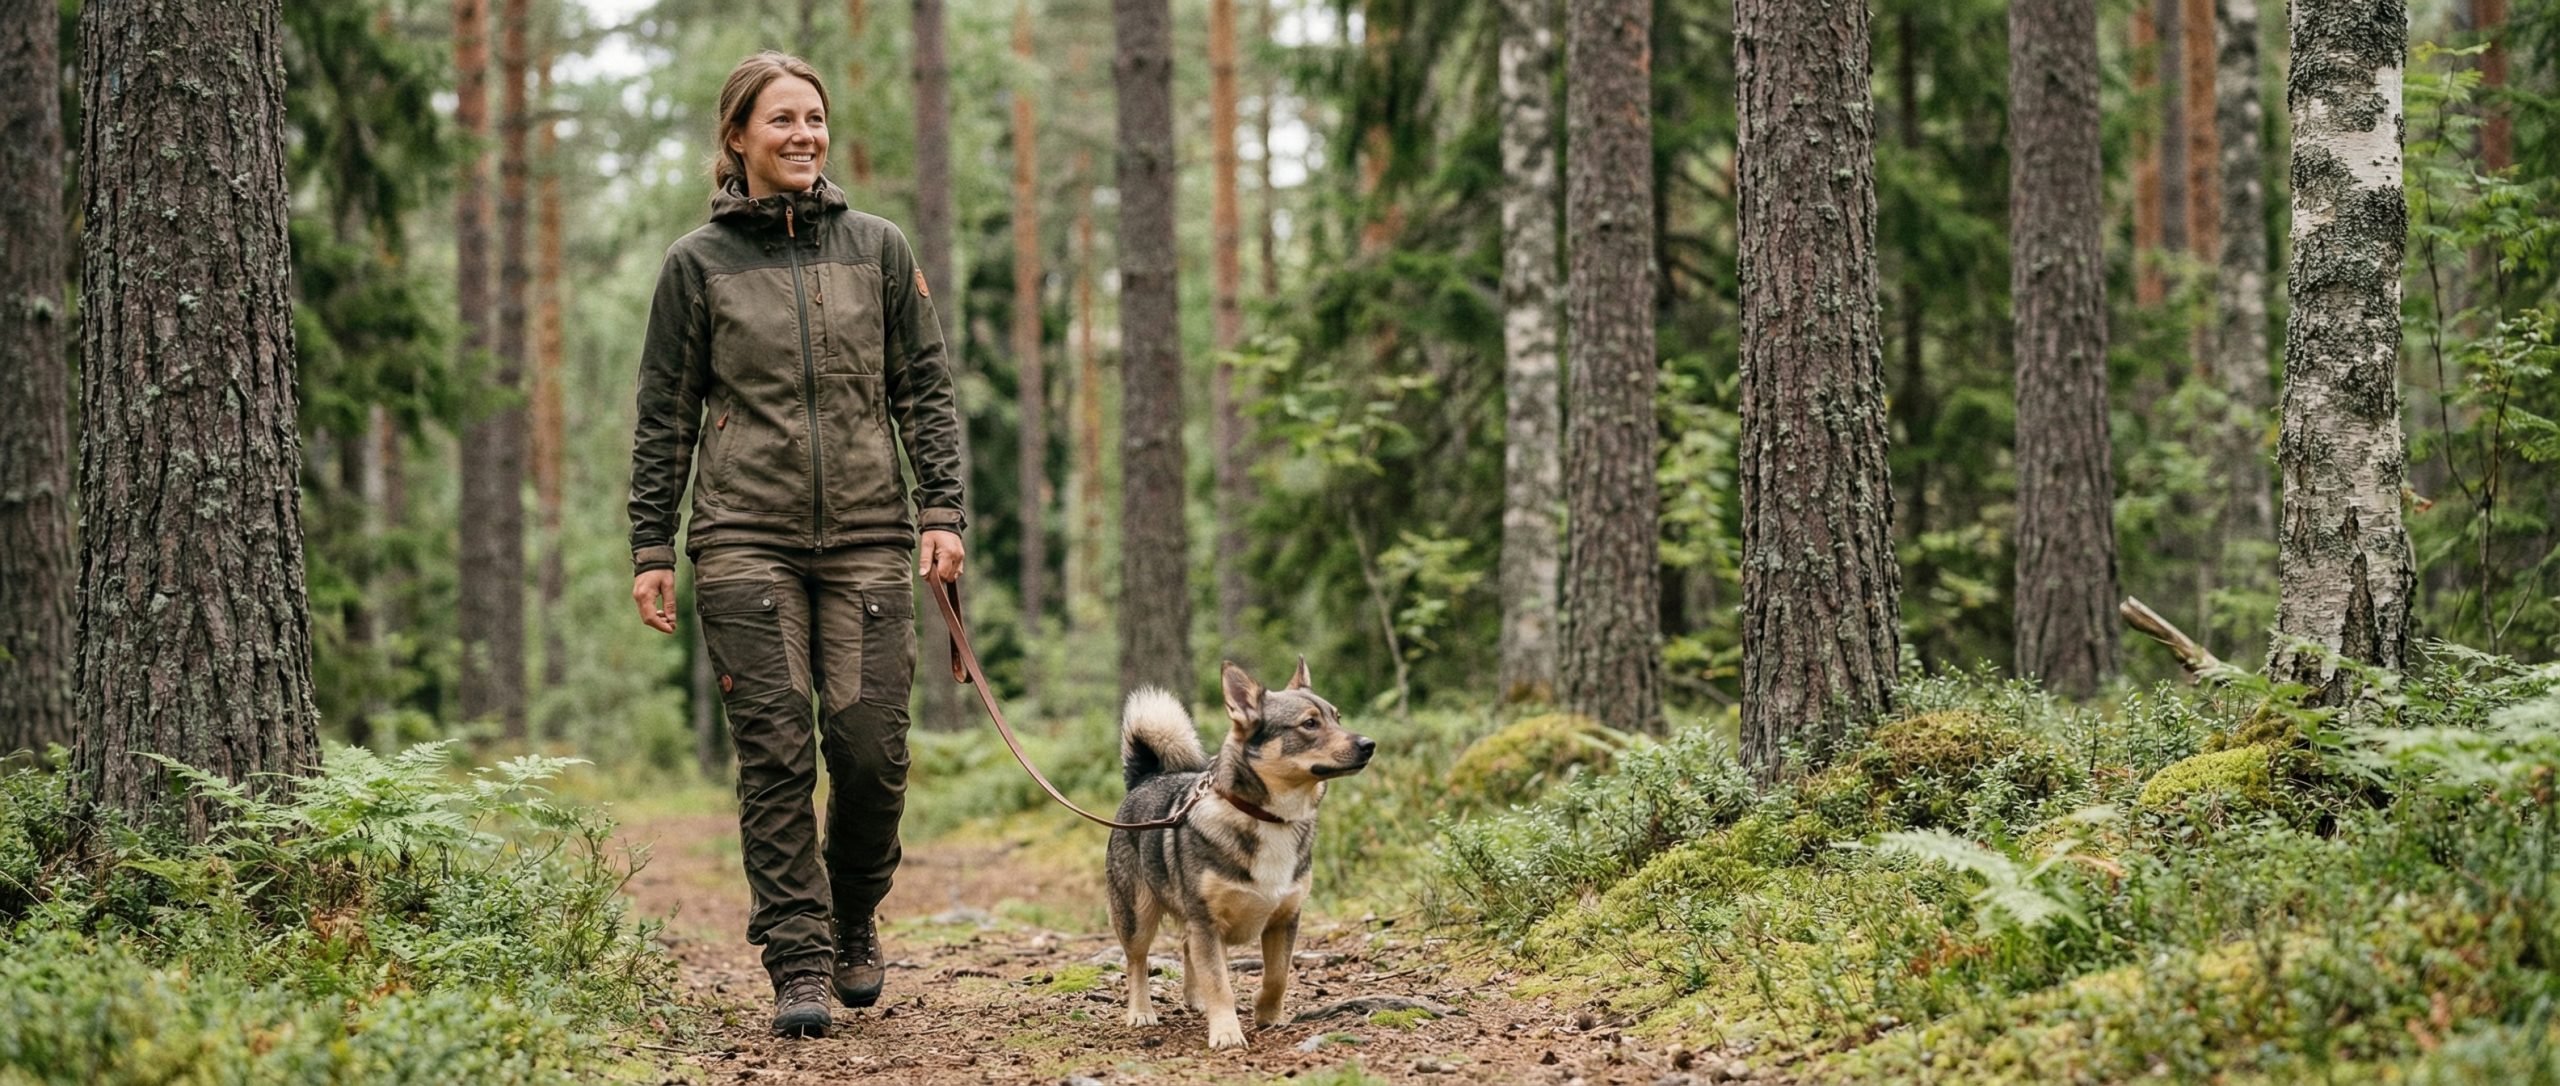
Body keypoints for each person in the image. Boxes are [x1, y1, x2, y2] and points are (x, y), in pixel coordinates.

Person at [625, 50, 966, 1039]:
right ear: (737, 138)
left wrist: (941, 512)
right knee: (773, 755)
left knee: (870, 753)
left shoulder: (879, 248)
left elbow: (925, 390)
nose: (803, 135)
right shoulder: (696, 265)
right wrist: (652, 546)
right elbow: (664, 414)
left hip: (867, 533)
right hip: (742, 537)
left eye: (813, 118)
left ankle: (854, 911)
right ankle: (800, 961)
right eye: (780, 120)